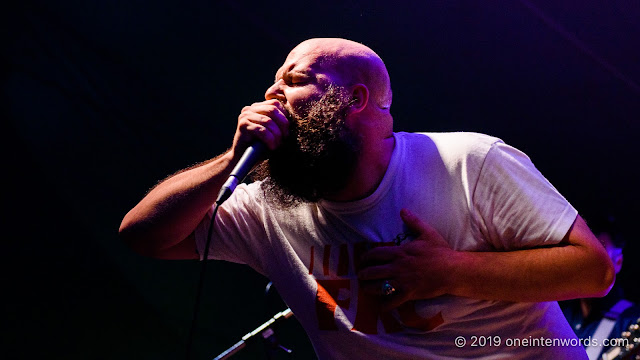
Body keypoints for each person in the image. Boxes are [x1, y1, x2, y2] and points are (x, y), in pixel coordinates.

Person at [119, 38, 615, 359]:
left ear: (353, 99)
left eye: (292, 81)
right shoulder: (268, 204)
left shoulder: (468, 162)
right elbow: (144, 236)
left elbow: (593, 271)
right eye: (271, 83)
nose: (271, 94)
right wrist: (231, 160)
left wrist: (451, 271)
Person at [560, 217, 640, 360]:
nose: (585, 263)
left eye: (599, 252)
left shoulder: (632, 321)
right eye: (578, 252)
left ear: (618, 262)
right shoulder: (560, 318)